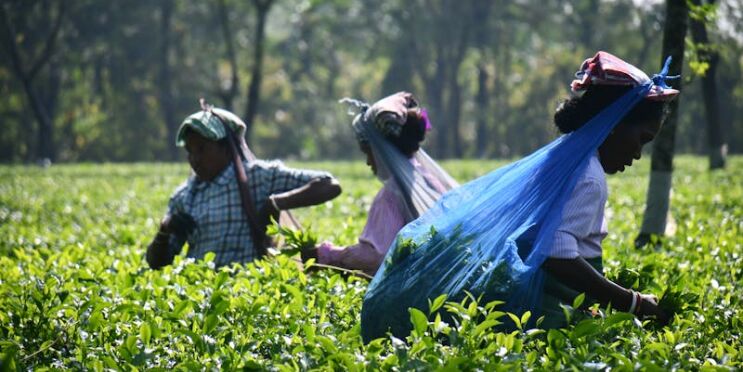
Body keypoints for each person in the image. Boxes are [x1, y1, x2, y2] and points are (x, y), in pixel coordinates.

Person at [360, 52, 679, 341]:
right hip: (547, 309)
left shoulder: (566, 160)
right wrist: (630, 301)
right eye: (640, 139)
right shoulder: (589, 176)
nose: (638, 153)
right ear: (612, 124)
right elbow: (557, 254)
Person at [146, 103, 341, 269]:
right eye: (189, 151)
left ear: (227, 148)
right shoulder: (184, 196)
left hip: (247, 290)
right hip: (200, 296)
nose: (195, 159)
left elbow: (329, 185)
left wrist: (273, 204)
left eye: (202, 149)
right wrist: (165, 229)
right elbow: (157, 263)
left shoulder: (257, 177)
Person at [302, 92, 458, 276]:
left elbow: (376, 257)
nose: (368, 162)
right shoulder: (430, 179)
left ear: (382, 151)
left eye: (368, 153)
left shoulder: (391, 195)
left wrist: (327, 255)